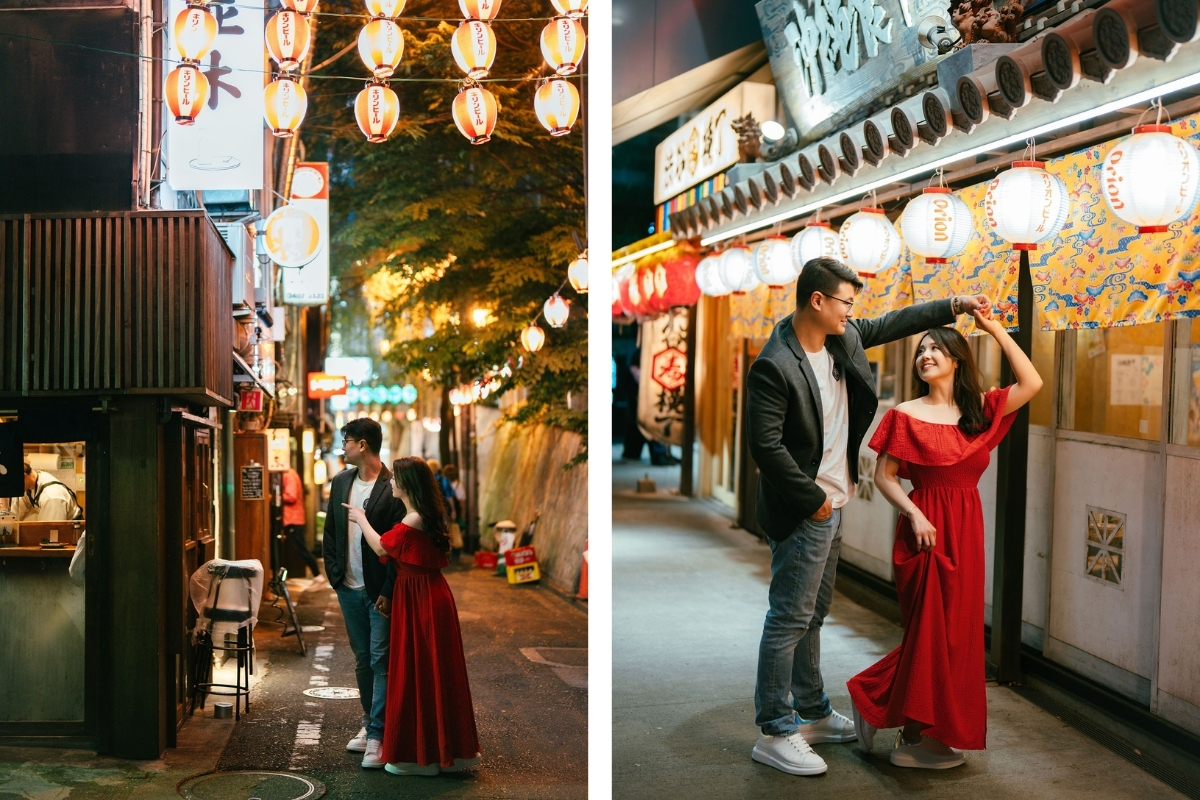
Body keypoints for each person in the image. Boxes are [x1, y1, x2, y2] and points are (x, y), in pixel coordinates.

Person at [745, 255, 991, 777]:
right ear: (818, 300)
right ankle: (775, 728)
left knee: (813, 613)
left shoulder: (843, 338)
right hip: (806, 506)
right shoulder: (775, 363)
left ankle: (810, 712)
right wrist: (812, 498)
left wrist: (954, 305)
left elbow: (893, 322)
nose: (852, 312)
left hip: (837, 501)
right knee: (789, 616)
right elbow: (764, 446)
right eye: (845, 302)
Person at [848, 309, 1042, 769]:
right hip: (925, 532)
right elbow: (886, 476)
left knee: (956, 637)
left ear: (958, 358)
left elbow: (1032, 382)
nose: (926, 356)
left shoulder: (980, 410)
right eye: (921, 351)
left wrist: (994, 327)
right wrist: (914, 514)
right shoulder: (904, 414)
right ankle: (911, 728)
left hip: (966, 530)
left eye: (936, 348)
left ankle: (890, 710)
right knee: (931, 635)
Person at [345, 456, 482, 776]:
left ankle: (420, 757)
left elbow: (381, 549)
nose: (391, 481)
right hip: (425, 594)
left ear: (407, 485)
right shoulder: (423, 516)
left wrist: (361, 518)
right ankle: (440, 752)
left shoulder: (415, 519)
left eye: (396, 479)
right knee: (431, 671)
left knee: (417, 670)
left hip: (420, 597)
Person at [323, 418, 407, 769]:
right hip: (348, 587)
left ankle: (377, 735)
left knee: (380, 660)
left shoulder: (392, 486)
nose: (342, 447)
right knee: (362, 659)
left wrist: (389, 588)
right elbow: (330, 531)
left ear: (363, 445)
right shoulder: (342, 481)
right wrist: (335, 576)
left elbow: (401, 547)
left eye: (346, 442)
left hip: (379, 591)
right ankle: (371, 724)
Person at [282, 467, 326, 588]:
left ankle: (318, 576)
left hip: (292, 518)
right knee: (300, 548)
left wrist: (275, 495)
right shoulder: (291, 473)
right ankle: (318, 576)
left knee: (301, 549)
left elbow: (291, 496)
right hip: (293, 518)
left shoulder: (289, 474)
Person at [14, 459, 81, 521]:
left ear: (24, 476)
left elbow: (51, 530)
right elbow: (16, 513)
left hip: (73, 531)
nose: (13, 487)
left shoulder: (51, 497)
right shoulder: (32, 485)